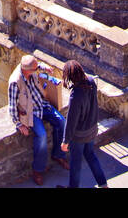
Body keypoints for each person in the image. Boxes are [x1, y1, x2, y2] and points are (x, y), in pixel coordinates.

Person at [8, 54, 68, 185]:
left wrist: (44, 67)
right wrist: (19, 124)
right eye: (35, 69)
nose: (37, 70)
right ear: (26, 70)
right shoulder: (14, 81)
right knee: (41, 135)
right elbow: (12, 106)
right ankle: (38, 170)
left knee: (62, 121)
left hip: (42, 104)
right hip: (30, 113)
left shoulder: (29, 68)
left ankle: (58, 155)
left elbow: (37, 65)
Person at [58, 59, 108, 188]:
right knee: (91, 155)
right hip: (92, 130)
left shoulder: (76, 94)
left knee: (75, 163)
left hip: (79, 136)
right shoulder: (91, 82)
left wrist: (65, 141)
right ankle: (103, 184)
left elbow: (71, 120)